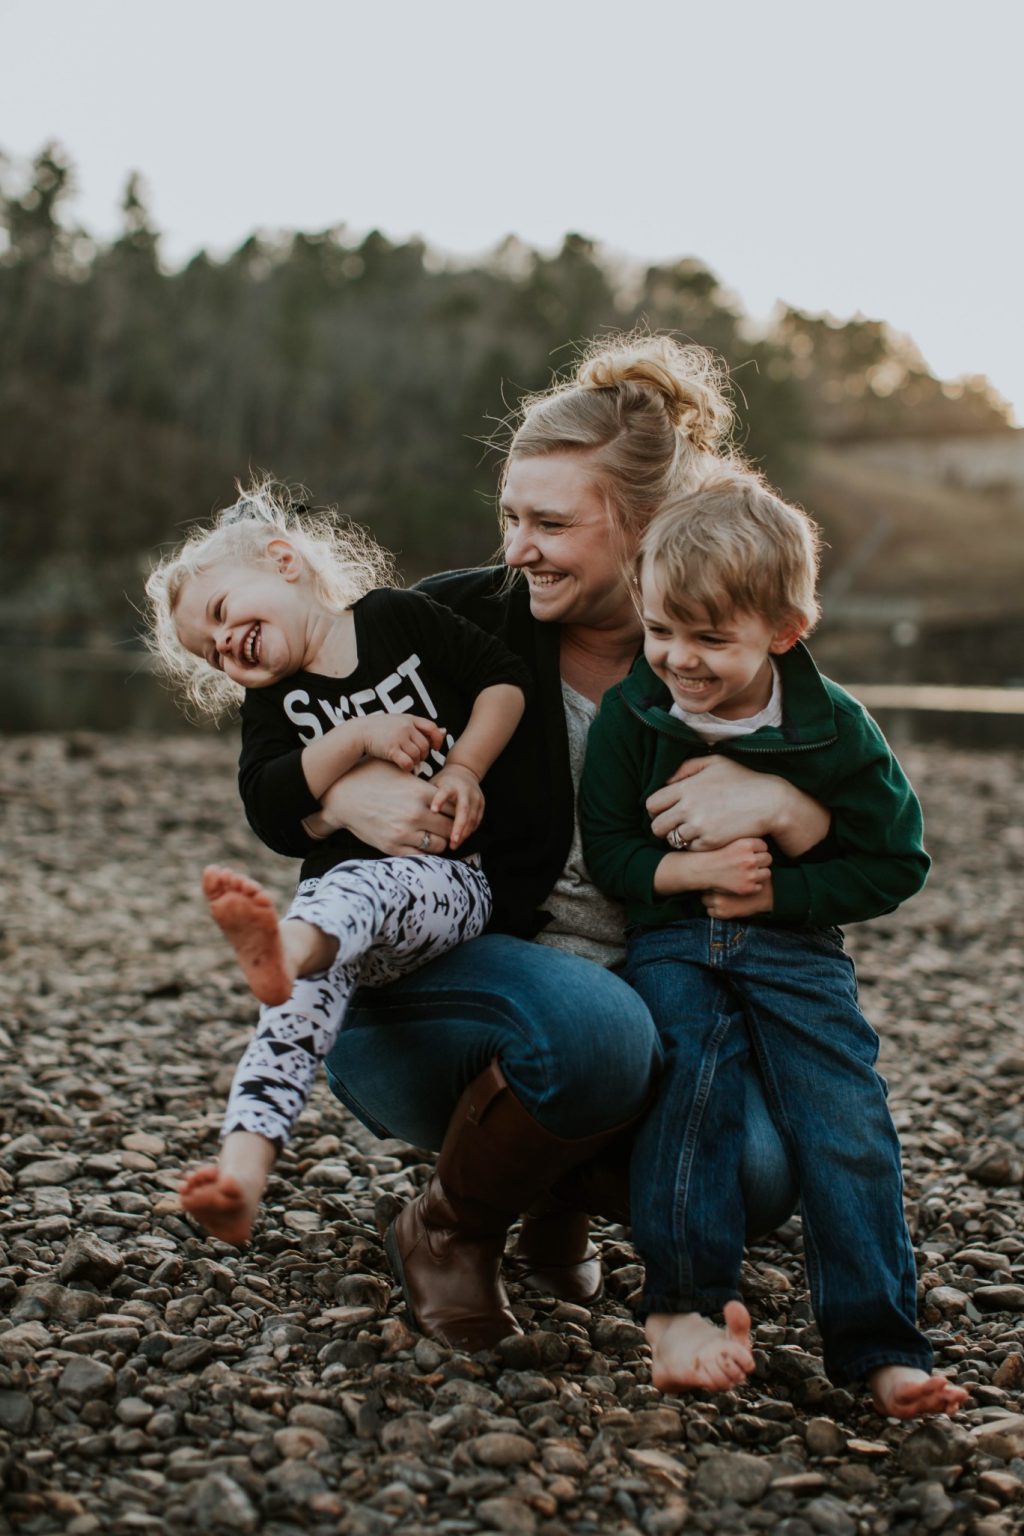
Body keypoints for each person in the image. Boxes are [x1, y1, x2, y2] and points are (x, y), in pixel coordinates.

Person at [245, 333, 833, 1354]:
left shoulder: (722, 658)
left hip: (638, 991)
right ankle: (448, 1226)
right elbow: (276, 763)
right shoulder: (441, 626)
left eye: (550, 523)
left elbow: (845, 849)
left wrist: (780, 807)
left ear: (646, 526)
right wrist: (344, 800)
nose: (516, 547)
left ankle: (547, 1184)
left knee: (758, 1175)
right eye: (510, 514)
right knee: (597, 1030)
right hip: (430, 1006)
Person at [579, 470, 968, 1419]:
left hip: (798, 950)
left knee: (849, 1124)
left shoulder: (835, 729)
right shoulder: (635, 713)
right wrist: (689, 877)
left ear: (784, 632)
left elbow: (894, 862)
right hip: (673, 941)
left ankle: (883, 1349)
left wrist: (784, 888)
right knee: (689, 1095)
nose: (680, 659)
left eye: (713, 639)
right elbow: (614, 853)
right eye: (663, 630)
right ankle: (687, 1310)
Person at [144, 486, 531, 1244]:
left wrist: (466, 771)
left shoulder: (395, 619)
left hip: (447, 883)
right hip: (335, 914)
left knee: (367, 889)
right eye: (210, 653)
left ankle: (290, 949)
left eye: (222, 614)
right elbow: (269, 807)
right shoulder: (275, 707)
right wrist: (356, 740)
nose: (225, 646)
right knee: (287, 1024)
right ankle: (240, 1178)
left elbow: (503, 681)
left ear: (283, 563)